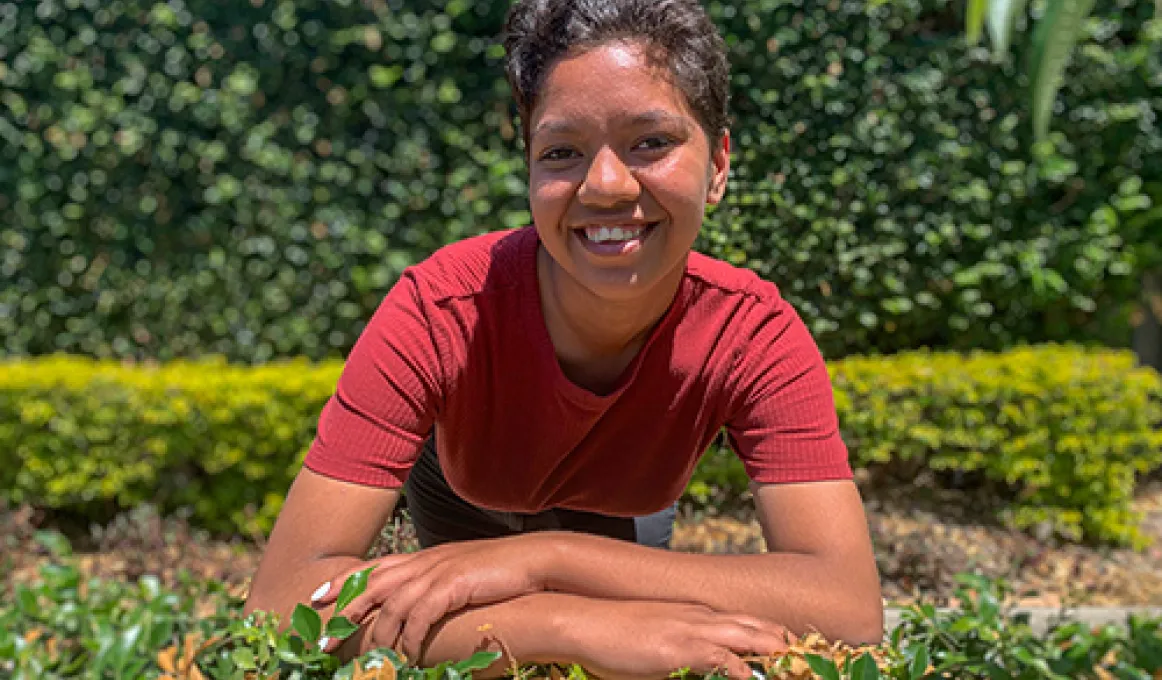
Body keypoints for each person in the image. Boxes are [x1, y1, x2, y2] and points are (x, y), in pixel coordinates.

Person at [244, 0, 883, 677]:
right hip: (465, 497)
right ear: (527, 167)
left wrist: (546, 561)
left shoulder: (752, 333)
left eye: (651, 142)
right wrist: (565, 624)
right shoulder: (440, 309)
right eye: (561, 152)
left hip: (621, 518)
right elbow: (282, 605)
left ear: (719, 164)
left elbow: (847, 608)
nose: (605, 185)